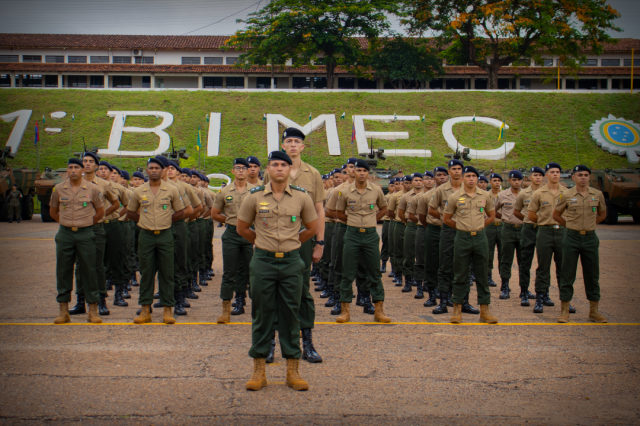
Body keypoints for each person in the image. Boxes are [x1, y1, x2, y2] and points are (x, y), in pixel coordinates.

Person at [237, 150, 318, 392]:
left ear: (290, 169)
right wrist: (263, 243)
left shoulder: (302, 197)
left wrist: (291, 242)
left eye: (284, 164)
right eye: (275, 164)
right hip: (263, 261)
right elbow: (242, 228)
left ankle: (292, 371)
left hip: (293, 262)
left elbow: (312, 228)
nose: (280, 168)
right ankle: (259, 371)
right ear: (268, 170)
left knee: (291, 314)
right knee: (262, 314)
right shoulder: (254, 197)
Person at [263, 127, 326, 364]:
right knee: (271, 291)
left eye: (296, 142)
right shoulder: (274, 171)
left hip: (304, 241)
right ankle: (270, 344)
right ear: (283, 145)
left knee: (301, 291)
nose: (292, 145)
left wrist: (319, 242)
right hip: (274, 240)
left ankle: (306, 343)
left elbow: (320, 211)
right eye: (287, 141)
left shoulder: (313, 174)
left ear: (302, 147)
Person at [126, 157, 185, 325]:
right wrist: (144, 221)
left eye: (156, 168)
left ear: (162, 170)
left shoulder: (171, 190)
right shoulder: (139, 191)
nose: (153, 170)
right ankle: (145, 309)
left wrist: (165, 221)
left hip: (165, 235)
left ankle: (168, 309)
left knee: (167, 272)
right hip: (146, 236)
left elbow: (180, 212)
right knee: (146, 272)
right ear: (147, 170)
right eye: (150, 168)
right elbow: (130, 212)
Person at [334, 159, 391, 323]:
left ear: (368, 173)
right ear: (354, 172)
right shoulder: (345, 192)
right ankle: (345, 310)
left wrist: (372, 220)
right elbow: (339, 212)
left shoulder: (376, 190)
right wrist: (353, 221)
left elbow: (384, 208)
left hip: (370, 234)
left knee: (374, 272)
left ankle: (379, 309)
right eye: (358, 170)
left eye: (364, 171)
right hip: (351, 234)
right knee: (348, 272)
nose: (361, 173)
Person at [50, 158, 105, 324]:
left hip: (86, 234)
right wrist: (66, 223)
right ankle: (63, 309)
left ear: (82, 170)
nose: (73, 170)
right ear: (66, 171)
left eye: (76, 167)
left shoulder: (92, 189)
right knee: (63, 269)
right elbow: (53, 211)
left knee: (89, 270)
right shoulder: (59, 189)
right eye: (70, 167)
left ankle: (93, 309)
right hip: (65, 234)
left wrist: (86, 223)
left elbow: (100, 211)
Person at [442, 165, 498, 324]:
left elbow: (491, 216)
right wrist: (461, 228)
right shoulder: (454, 197)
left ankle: (485, 310)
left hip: (480, 238)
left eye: (474, 176)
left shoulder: (485, 196)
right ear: (463, 179)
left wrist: (479, 226)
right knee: (460, 274)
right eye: (468, 176)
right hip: (462, 238)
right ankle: (457, 310)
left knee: (482, 273)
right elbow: (446, 219)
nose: (471, 179)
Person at [553, 165, 607, 323]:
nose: (583, 177)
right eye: (580, 175)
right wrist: (570, 226)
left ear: (589, 177)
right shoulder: (567, 195)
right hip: (571, 238)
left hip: (590, 238)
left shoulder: (597, 194)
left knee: (592, 274)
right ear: (573, 178)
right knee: (567, 274)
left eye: (586, 175)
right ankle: (564, 310)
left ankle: (594, 310)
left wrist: (590, 225)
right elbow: (556, 215)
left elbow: (602, 214)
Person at [70, 152, 119, 317]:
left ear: (97, 166)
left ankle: (101, 301)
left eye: (91, 161)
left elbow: (116, 203)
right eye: (85, 161)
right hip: (79, 228)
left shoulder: (104, 184)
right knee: (80, 266)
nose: (87, 164)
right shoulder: (74, 182)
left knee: (98, 266)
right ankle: (80, 301)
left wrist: (102, 214)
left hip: (96, 229)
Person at [212, 158, 256, 322]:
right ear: (233, 171)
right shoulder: (224, 192)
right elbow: (215, 213)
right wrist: (231, 220)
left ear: (248, 171)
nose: (241, 171)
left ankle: (257, 309)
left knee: (252, 271)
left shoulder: (255, 191)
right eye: (238, 168)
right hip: (231, 234)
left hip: (250, 234)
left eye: (244, 168)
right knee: (229, 272)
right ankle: (226, 310)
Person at [528, 162, 566, 313]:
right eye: (552, 172)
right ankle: (540, 299)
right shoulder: (539, 193)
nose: (555, 174)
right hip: (544, 232)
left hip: (562, 232)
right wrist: (544, 223)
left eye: (558, 172)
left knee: (564, 268)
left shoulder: (567, 192)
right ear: (547, 175)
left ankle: (565, 300)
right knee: (543, 267)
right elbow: (531, 214)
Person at [428, 159, 464, 314]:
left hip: (464, 230)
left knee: (463, 266)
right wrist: (445, 217)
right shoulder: (441, 190)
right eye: (453, 169)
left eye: (459, 168)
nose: (456, 171)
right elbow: (431, 209)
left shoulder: (469, 187)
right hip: (448, 230)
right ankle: (443, 299)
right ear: (449, 171)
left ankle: (461, 299)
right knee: (445, 264)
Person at [417, 167, 449, 307]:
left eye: (444, 175)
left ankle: (448, 293)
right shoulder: (427, 196)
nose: (441, 177)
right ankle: (431, 293)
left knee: (449, 262)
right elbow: (422, 216)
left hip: (450, 230)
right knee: (431, 262)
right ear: (434, 178)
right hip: (433, 229)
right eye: (438, 175)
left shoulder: (456, 193)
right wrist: (432, 226)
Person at [514, 167, 544, 306]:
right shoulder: (523, 193)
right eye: (535, 175)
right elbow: (517, 211)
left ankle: (544, 293)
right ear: (529, 177)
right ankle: (524, 292)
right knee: (525, 261)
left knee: (544, 262)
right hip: (529, 228)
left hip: (544, 229)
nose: (537, 177)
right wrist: (528, 218)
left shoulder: (549, 192)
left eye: (540, 175)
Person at [495, 171, 524, 300]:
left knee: (524, 260)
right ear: (510, 181)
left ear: (522, 181)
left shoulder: (527, 194)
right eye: (514, 180)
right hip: (508, 229)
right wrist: (505, 218)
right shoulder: (502, 195)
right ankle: (505, 287)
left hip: (524, 230)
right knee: (506, 259)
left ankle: (524, 289)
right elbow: (492, 211)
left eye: (519, 179)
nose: (516, 182)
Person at [408, 171, 434, 298]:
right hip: (423, 228)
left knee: (435, 259)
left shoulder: (439, 194)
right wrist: (424, 223)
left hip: (436, 229)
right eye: (426, 179)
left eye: (430, 179)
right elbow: (411, 215)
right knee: (420, 258)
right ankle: (419, 286)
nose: (428, 181)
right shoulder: (417, 198)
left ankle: (432, 286)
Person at [398, 173, 423, 292]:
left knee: (423, 255)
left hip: (424, 226)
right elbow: (401, 214)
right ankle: (408, 280)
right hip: (411, 226)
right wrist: (408, 222)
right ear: (412, 182)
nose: (418, 182)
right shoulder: (406, 197)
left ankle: (422, 282)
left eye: (420, 180)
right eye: (415, 180)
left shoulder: (429, 195)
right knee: (408, 254)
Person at [388, 176, 411, 287]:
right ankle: (398, 274)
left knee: (411, 252)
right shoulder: (395, 196)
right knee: (398, 250)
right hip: (400, 224)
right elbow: (390, 212)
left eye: (410, 183)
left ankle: (411, 275)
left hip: (412, 225)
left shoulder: (416, 196)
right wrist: (400, 219)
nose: (408, 185)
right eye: (406, 183)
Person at [486, 173, 503, 287]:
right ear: (490, 182)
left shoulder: (505, 195)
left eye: (498, 180)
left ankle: (504, 279)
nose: (497, 182)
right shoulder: (485, 195)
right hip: (489, 226)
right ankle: (488, 276)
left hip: (502, 226)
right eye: (494, 180)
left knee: (503, 253)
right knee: (488, 253)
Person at [380, 180, 395, 273]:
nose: (393, 187)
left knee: (394, 245)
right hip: (387, 221)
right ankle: (384, 263)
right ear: (389, 187)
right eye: (392, 186)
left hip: (395, 221)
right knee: (385, 242)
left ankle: (394, 266)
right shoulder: (386, 197)